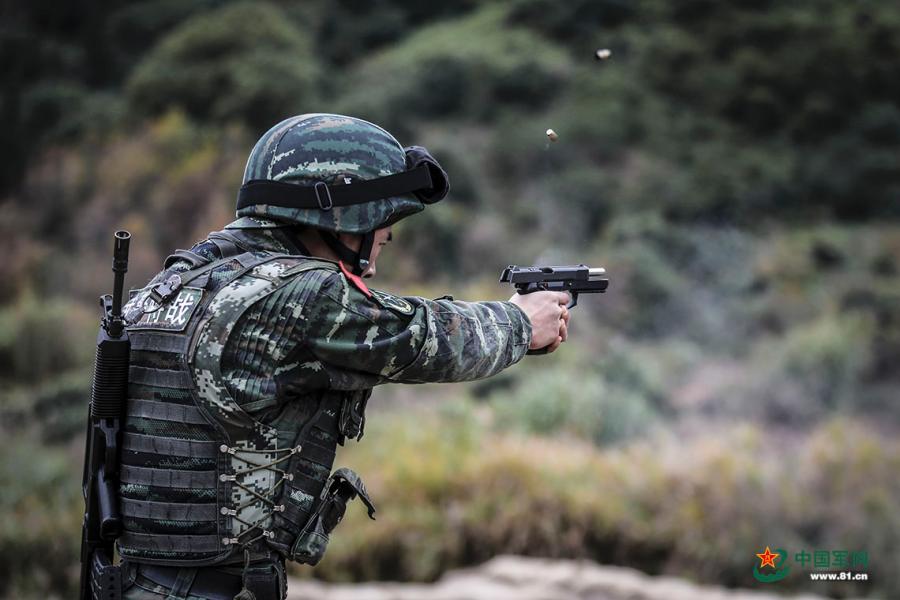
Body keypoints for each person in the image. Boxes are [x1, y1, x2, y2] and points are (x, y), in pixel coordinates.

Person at [115, 114, 571, 600]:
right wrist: (522, 322)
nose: (375, 259)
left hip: (138, 580)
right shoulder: (304, 296)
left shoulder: (167, 287)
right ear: (343, 217)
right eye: (380, 232)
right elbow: (424, 339)